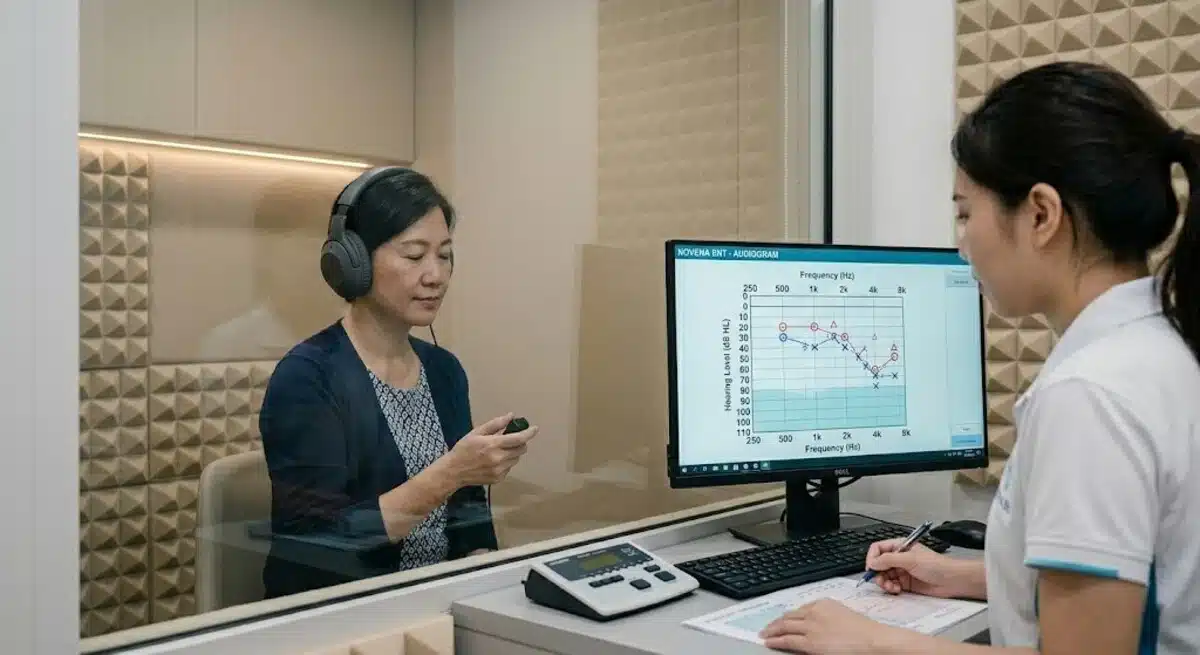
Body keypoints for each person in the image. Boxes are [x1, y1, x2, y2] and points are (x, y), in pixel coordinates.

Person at [759, 61, 1200, 653]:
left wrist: (871, 641)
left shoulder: (1090, 397)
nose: (961, 240)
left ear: (1041, 215)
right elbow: (1139, 579)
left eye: (966, 213)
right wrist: (958, 576)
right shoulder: (1160, 350)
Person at [258, 166, 538, 598]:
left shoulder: (444, 370)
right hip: (344, 619)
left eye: (444, 255)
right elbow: (320, 542)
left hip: (438, 607)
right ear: (352, 261)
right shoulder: (308, 376)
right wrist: (452, 473)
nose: (436, 275)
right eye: (414, 256)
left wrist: (486, 583)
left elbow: (467, 519)